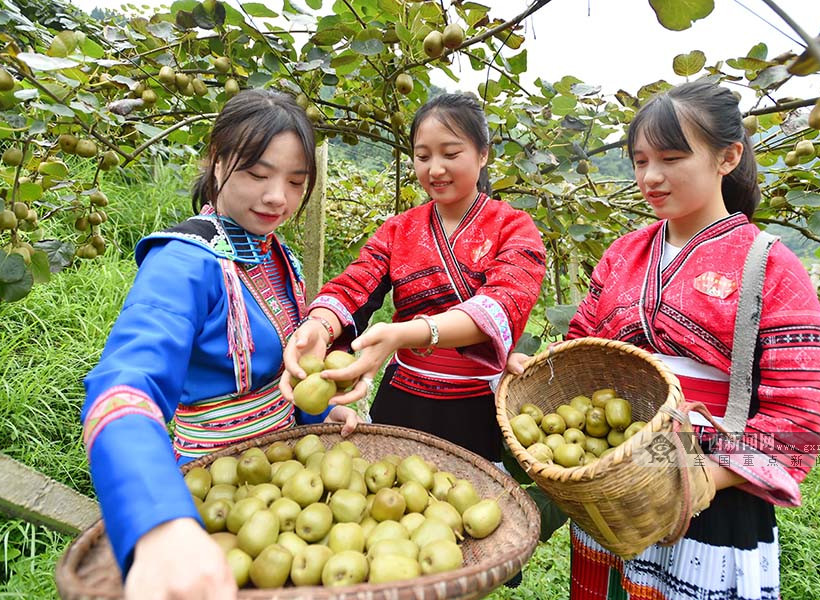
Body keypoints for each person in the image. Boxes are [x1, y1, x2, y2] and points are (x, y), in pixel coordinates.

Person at [509, 80, 820, 599]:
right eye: (639, 162)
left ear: (728, 157)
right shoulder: (622, 255)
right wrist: (542, 372)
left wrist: (699, 476)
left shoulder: (770, 267)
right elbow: (580, 351)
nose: (650, 177)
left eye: (671, 158)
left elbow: (796, 423)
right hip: (613, 497)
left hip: (713, 504)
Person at [81, 89, 359, 600]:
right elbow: (123, 388)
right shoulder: (183, 262)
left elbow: (284, 372)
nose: (278, 196)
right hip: (216, 484)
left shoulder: (279, 257)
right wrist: (158, 521)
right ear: (215, 161)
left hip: (291, 481)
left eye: (296, 182)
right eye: (258, 174)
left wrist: (318, 415)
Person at [280, 93, 546, 464]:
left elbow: (503, 304)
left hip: (476, 405)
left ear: (483, 154)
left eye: (450, 154)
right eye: (423, 157)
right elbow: (356, 285)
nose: (435, 169)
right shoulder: (399, 230)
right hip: (403, 396)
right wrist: (320, 326)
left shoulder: (514, 228)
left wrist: (404, 334)